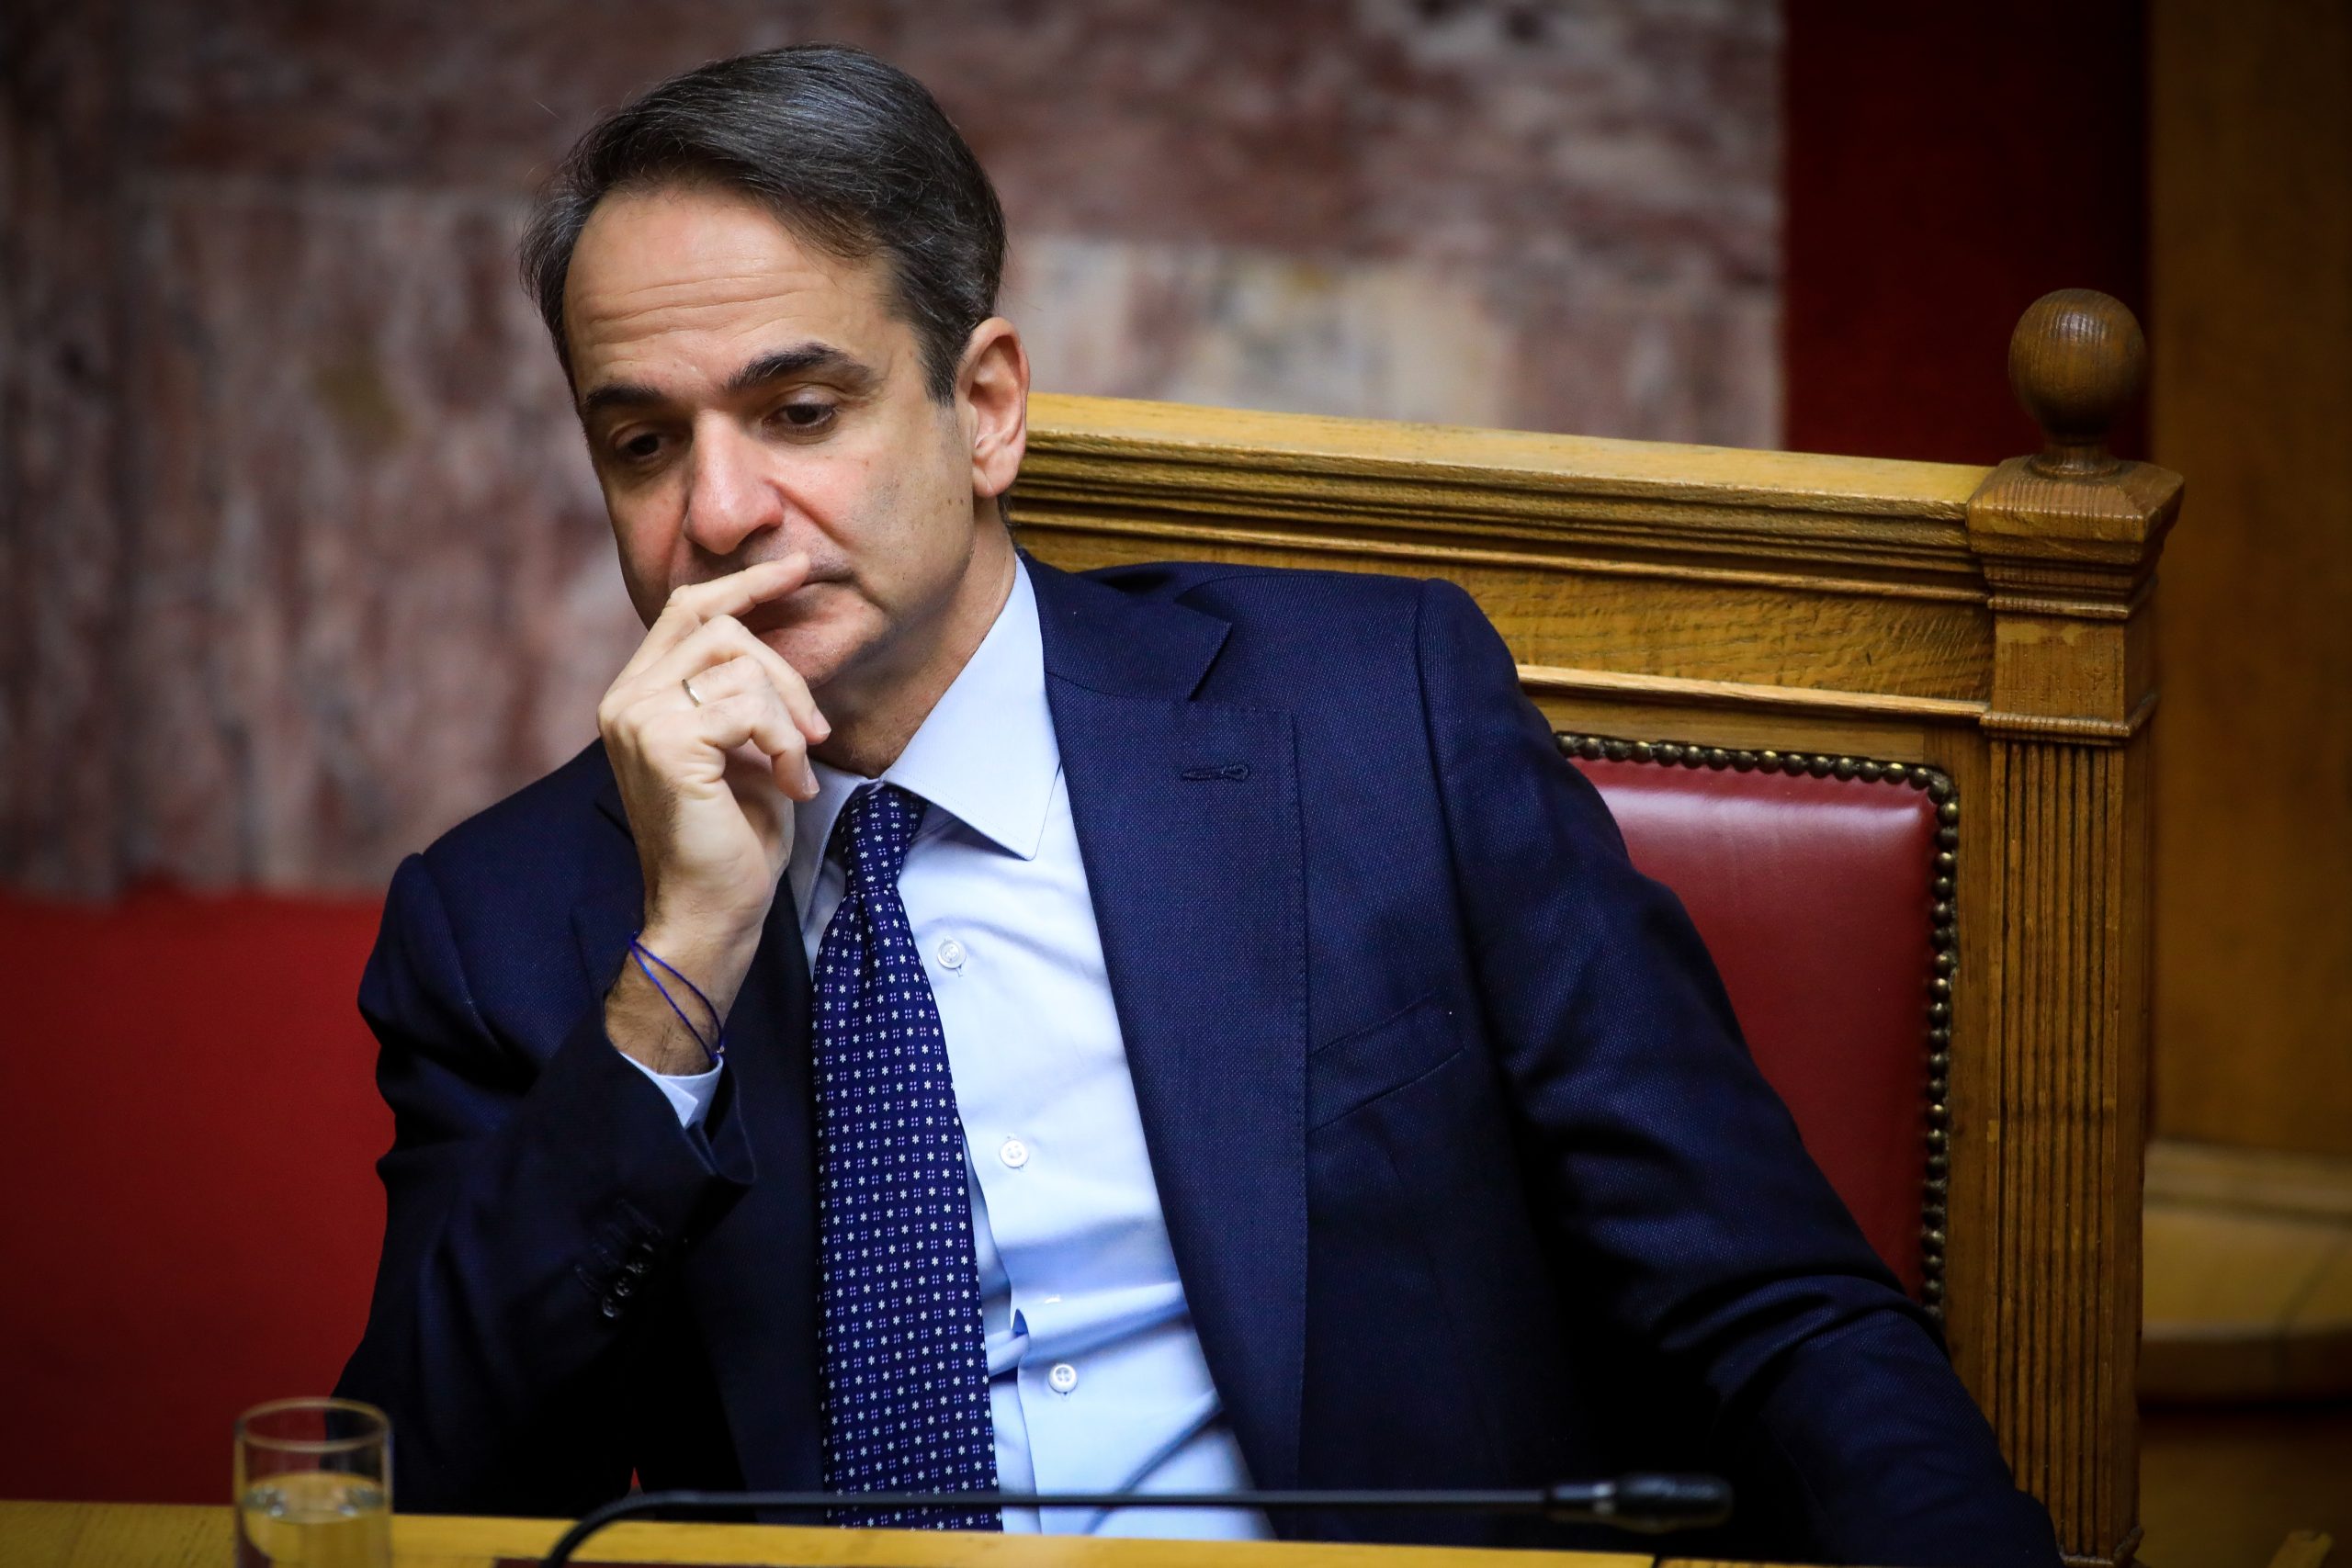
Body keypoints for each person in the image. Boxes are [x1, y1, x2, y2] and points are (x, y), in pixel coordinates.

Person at [337, 43, 2060, 1566]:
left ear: (984, 410)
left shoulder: (1372, 723)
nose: (718, 513)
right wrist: (683, 967)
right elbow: (416, 1500)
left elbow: (1771, 1312)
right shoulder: (507, 927)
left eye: (800, 410)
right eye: (643, 444)